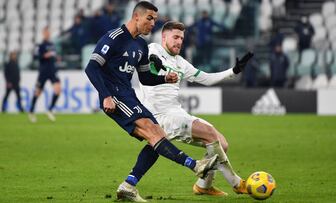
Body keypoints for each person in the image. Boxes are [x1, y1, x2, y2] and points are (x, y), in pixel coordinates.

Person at [84, 2, 217, 202]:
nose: (153, 23)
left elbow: (146, 78)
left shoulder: (140, 45)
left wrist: (165, 78)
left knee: (158, 136)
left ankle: (128, 185)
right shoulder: (114, 38)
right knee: (151, 130)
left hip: (128, 94)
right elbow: (92, 68)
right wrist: (105, 95)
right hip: (115, 96)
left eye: (155, 19)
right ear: (136, 17)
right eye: (149, 18)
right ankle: (195, 166)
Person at [136, 21, 253, 196]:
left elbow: (206, 79)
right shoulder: (153, 49)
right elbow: (148, 61)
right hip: (160, 116)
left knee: (221, 144)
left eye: (181, 38)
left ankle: (203, 186)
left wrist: (234, 71)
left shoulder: (181, 63)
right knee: (210, 134)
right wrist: (153, 62)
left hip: (176, 112)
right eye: (175, 37)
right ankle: (236, 183)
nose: (179, 42)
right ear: (164, 37)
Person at [28, 27, 61, 122]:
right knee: (38, 92)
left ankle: (50, 110)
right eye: (46, 32)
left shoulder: (52, 44)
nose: (48, 34)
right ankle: (31, 111)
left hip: (52, 71)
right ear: (43, 33)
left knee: (58, 89)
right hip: (43, 71)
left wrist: (56, 58)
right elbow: (36, 57)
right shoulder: (40, 45)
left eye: (48, 32)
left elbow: (54, 55)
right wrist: (46, 55)